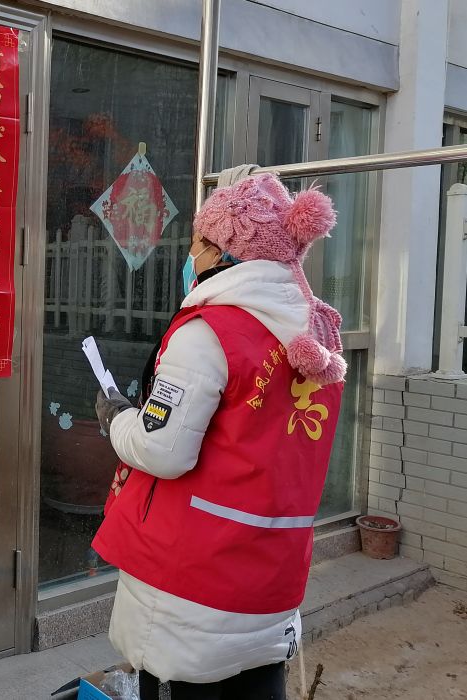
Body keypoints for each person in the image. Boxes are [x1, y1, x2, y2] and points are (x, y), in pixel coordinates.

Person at [93, 172, 346, 700]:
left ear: (220, 248)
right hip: (271, 566)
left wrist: (117, 417)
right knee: (257, 682)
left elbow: (163, 450)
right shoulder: (312, 336)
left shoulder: (209, 334)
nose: (189, 255)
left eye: (196, 243)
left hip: (196, 578)